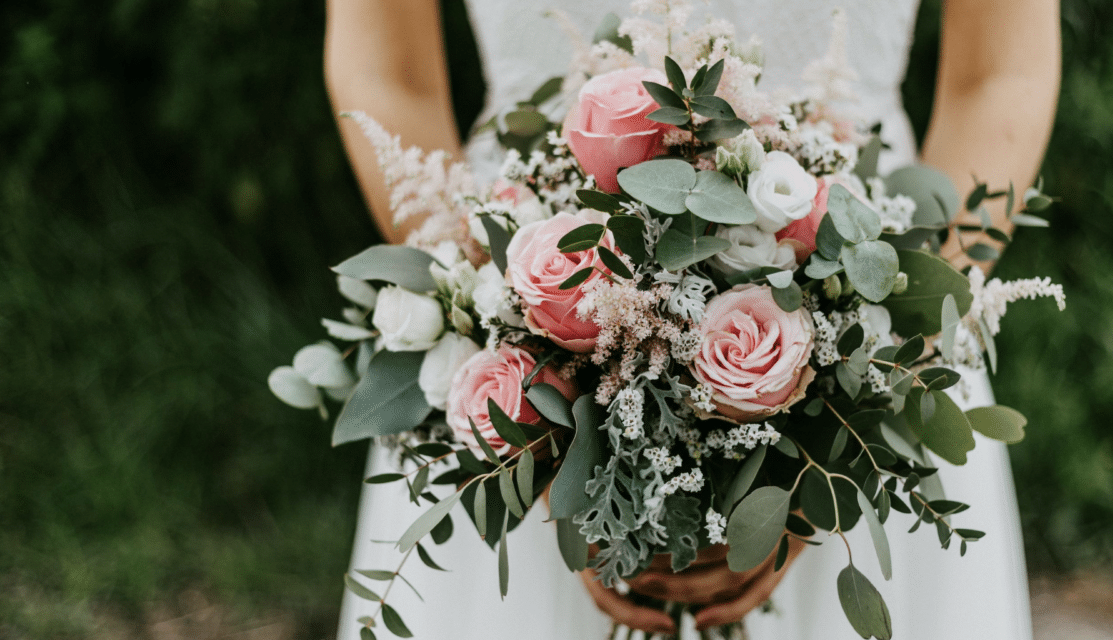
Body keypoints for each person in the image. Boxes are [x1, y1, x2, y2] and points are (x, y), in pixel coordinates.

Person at [325, 0, 1060, 637]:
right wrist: (531, 390)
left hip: (869, 368)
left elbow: (999, 76)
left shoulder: (870, 380)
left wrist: (856, 400)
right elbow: (390, 76)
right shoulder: (526, 396)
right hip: (524, 384)